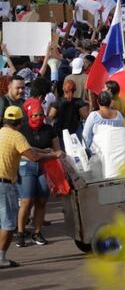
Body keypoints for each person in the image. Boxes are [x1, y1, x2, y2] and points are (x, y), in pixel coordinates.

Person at [0, 106, 62, 269]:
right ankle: (1, 258)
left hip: (4, 182)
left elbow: (28, 149)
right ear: (21, 121)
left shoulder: (2, 133)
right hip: (5, 184)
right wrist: (52, 155)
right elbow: (33, 157)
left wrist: (44, 150)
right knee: (8, 224)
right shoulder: (16, 136)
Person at [15, 99, 59, 248]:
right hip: (26, 166)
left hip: (45, 167)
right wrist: (43, 151)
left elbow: (56, 150)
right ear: (29, 115)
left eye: (41, 114)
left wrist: (50, 153)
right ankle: (20, 233)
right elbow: (23, 150)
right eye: (34, 115)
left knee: (42, 201)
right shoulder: (22, 130)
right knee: (26, 201)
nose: (38, 117)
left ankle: (37, 232)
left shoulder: (49, 129)